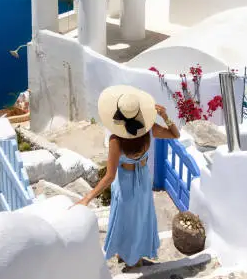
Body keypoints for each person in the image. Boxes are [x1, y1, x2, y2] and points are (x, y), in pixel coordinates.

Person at [75, 85, 180, 269]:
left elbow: (109, 176)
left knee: (124, 220)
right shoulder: (148, 130)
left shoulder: (116, 141)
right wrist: (165, 116)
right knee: (140, 219)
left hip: (125, 182)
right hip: (143, 182)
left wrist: (87, 198)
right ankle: (136, 257)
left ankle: (127, 256)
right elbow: (175, 134)